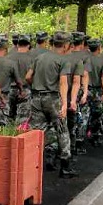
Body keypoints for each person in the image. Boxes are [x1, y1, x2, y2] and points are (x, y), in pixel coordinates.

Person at [25, 31, 77, 178]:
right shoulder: (63, 61)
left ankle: (31, 165)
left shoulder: (39, 58)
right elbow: (63, 83)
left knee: (36, 131)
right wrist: (64, 104)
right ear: (66, 45)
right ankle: (65, 168)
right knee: (62, 130)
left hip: (36, 98)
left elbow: (27, 77)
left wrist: (35, 86)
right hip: (53, 99)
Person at [0, 35, 23, 126]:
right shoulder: (11, 63)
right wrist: (21, 91)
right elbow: (18, 81)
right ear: (6, 48)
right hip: (3, 97)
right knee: (2, 123)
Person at [7, 33, 35, 123]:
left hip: (9, 90)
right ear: (29, 45)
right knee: (23, 120)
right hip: (25, 90)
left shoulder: (8, 57)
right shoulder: (32, 59)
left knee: (8, 117)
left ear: (18, 45)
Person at [87, 38, 103, 146]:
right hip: (97, 90)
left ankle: (81, 137)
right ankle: (96, 136)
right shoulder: (102, 61)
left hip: (86, 89)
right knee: (97, 114)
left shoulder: (85, 59)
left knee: (85, 113)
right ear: (99, 48)